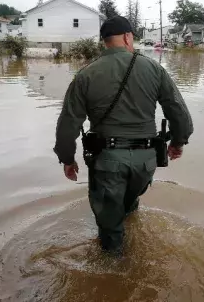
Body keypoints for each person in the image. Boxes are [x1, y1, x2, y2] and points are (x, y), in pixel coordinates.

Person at [54, 16, 194, 253]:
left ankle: (114, 276)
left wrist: (68, 158)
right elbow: (179, 112)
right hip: (147, 161)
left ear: (105, 41)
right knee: (129, 205)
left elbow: (67, 124)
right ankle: (132, 244)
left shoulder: (86, 75)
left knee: (110, 230)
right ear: (128, 37)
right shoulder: (154, 69)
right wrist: (178, 142)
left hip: (108, 161)